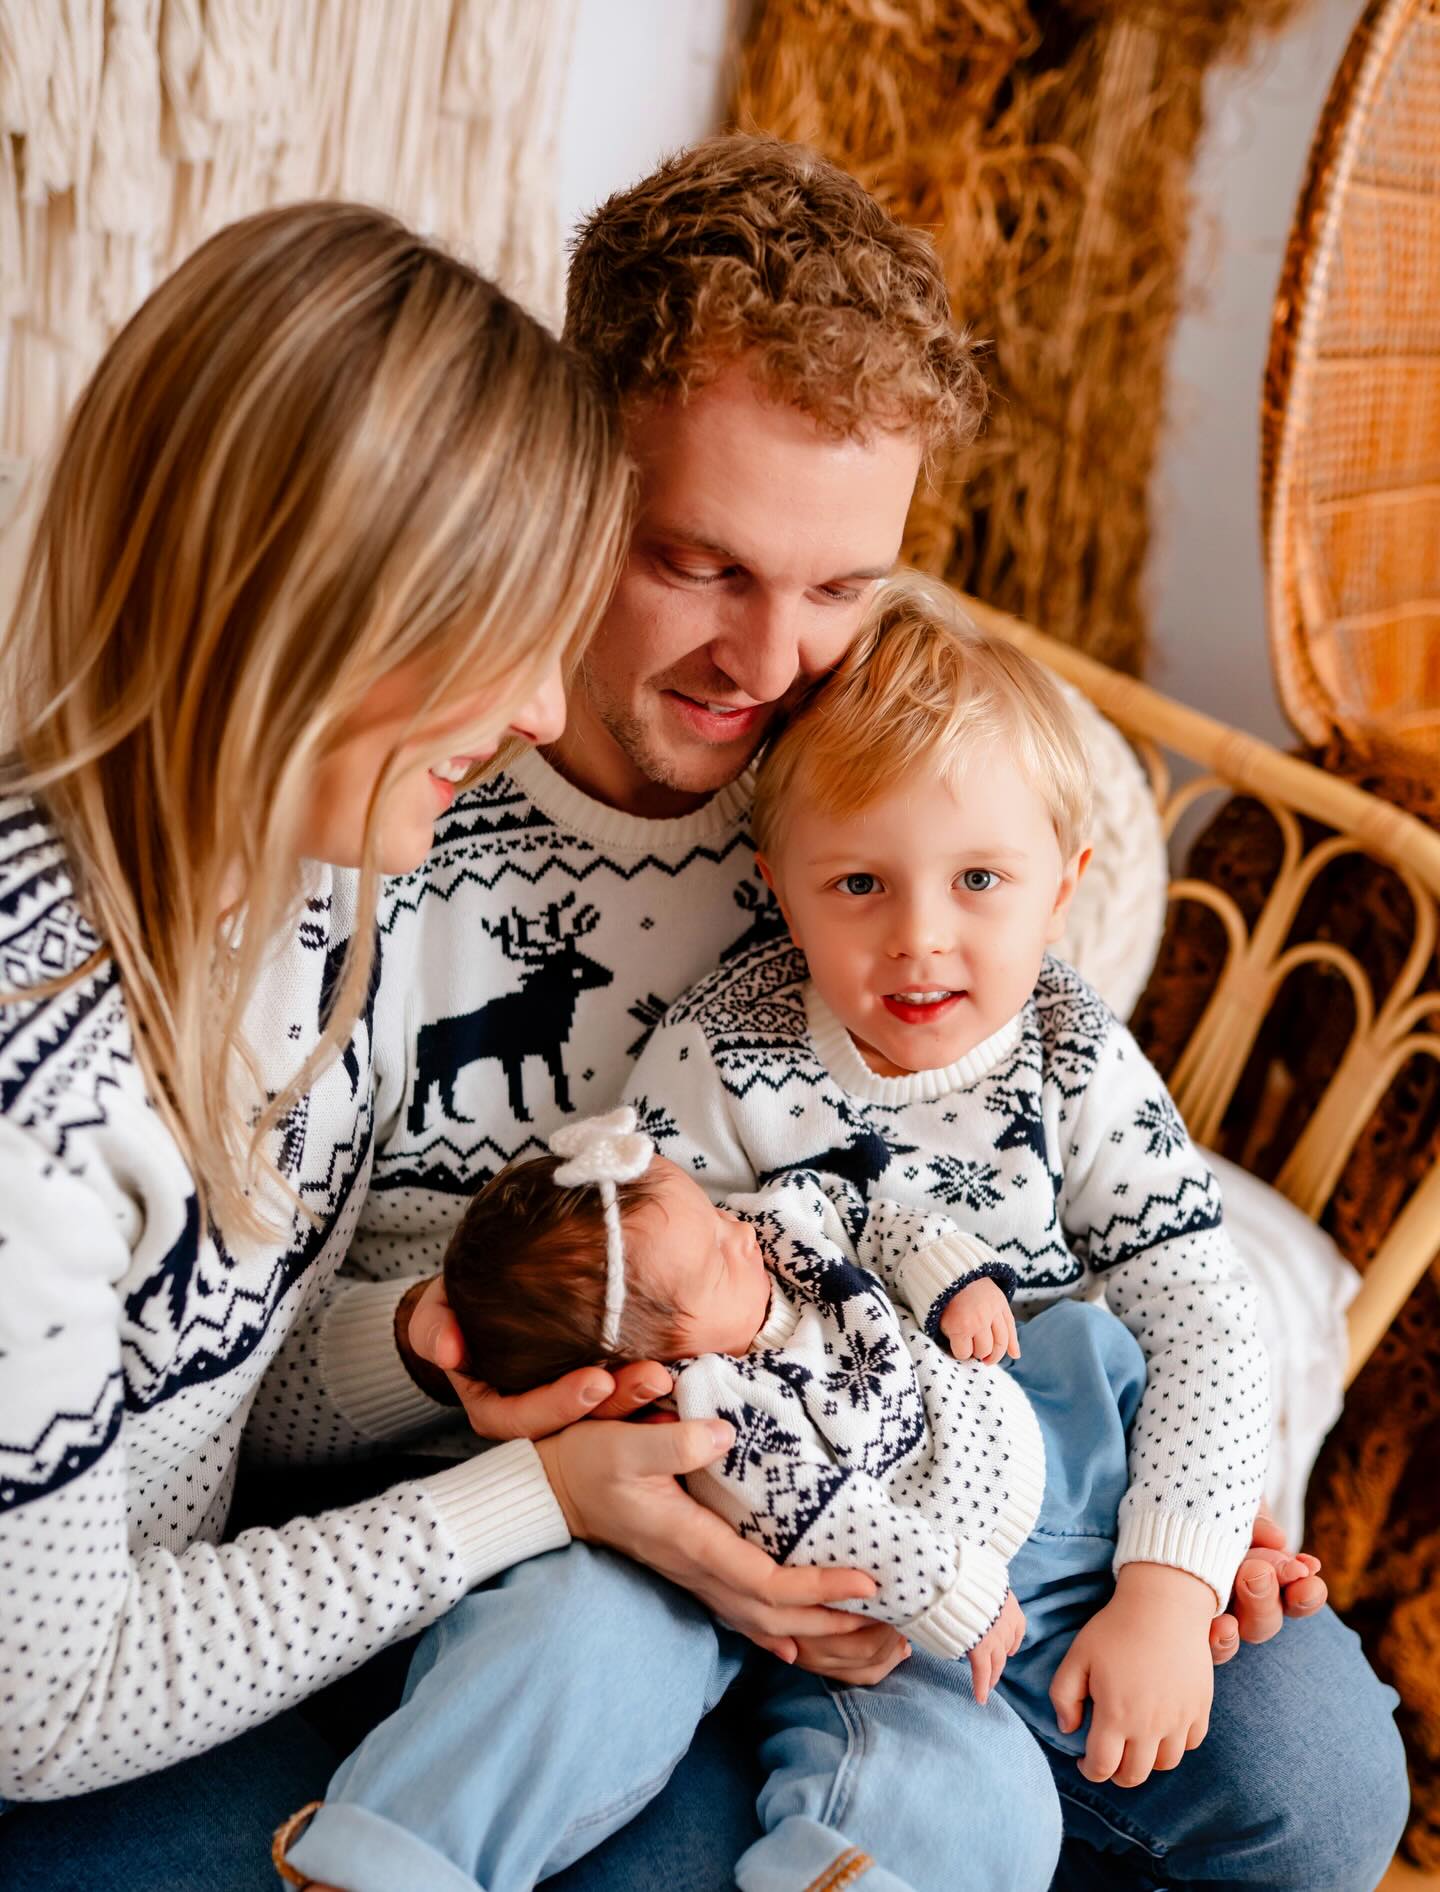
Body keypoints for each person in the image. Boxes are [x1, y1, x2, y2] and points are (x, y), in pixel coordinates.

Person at [294, 139, 1399, 1892]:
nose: (769, 664)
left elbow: (1042, 1171)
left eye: (839, 586)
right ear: (569, 478)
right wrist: (533, 1416)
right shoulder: (383, 803)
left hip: (919, 1462)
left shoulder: (885, 783)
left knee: (1321, 1790)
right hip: (539, 1497)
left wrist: (1155, 1513)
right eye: (698, 564)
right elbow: (245, 1395)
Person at [0, 200, 638, 1890]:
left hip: (150, 1668)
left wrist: (432, 1354)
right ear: (328, 610)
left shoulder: (305, 924)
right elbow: (44, 1708)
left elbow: (203, 1399)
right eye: (509, 634)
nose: (545, 717)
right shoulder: (34, 1108)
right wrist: (535, 1503)